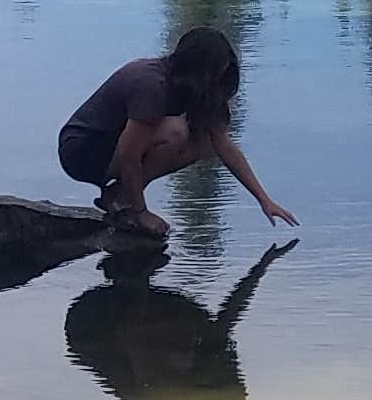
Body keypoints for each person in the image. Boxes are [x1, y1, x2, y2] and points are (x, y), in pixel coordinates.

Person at [56, 24, 296, 240]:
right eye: (216, 74)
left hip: (112, 148)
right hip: (82, 151)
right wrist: (141, 212)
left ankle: (119, 197)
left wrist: (264, 200)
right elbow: (129, 152)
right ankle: (127, 203)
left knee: (205, 141)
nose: (220, 80)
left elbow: (224, 145)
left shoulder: (197, 89)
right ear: (198, 69)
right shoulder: (152, 85)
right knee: (177, 132)